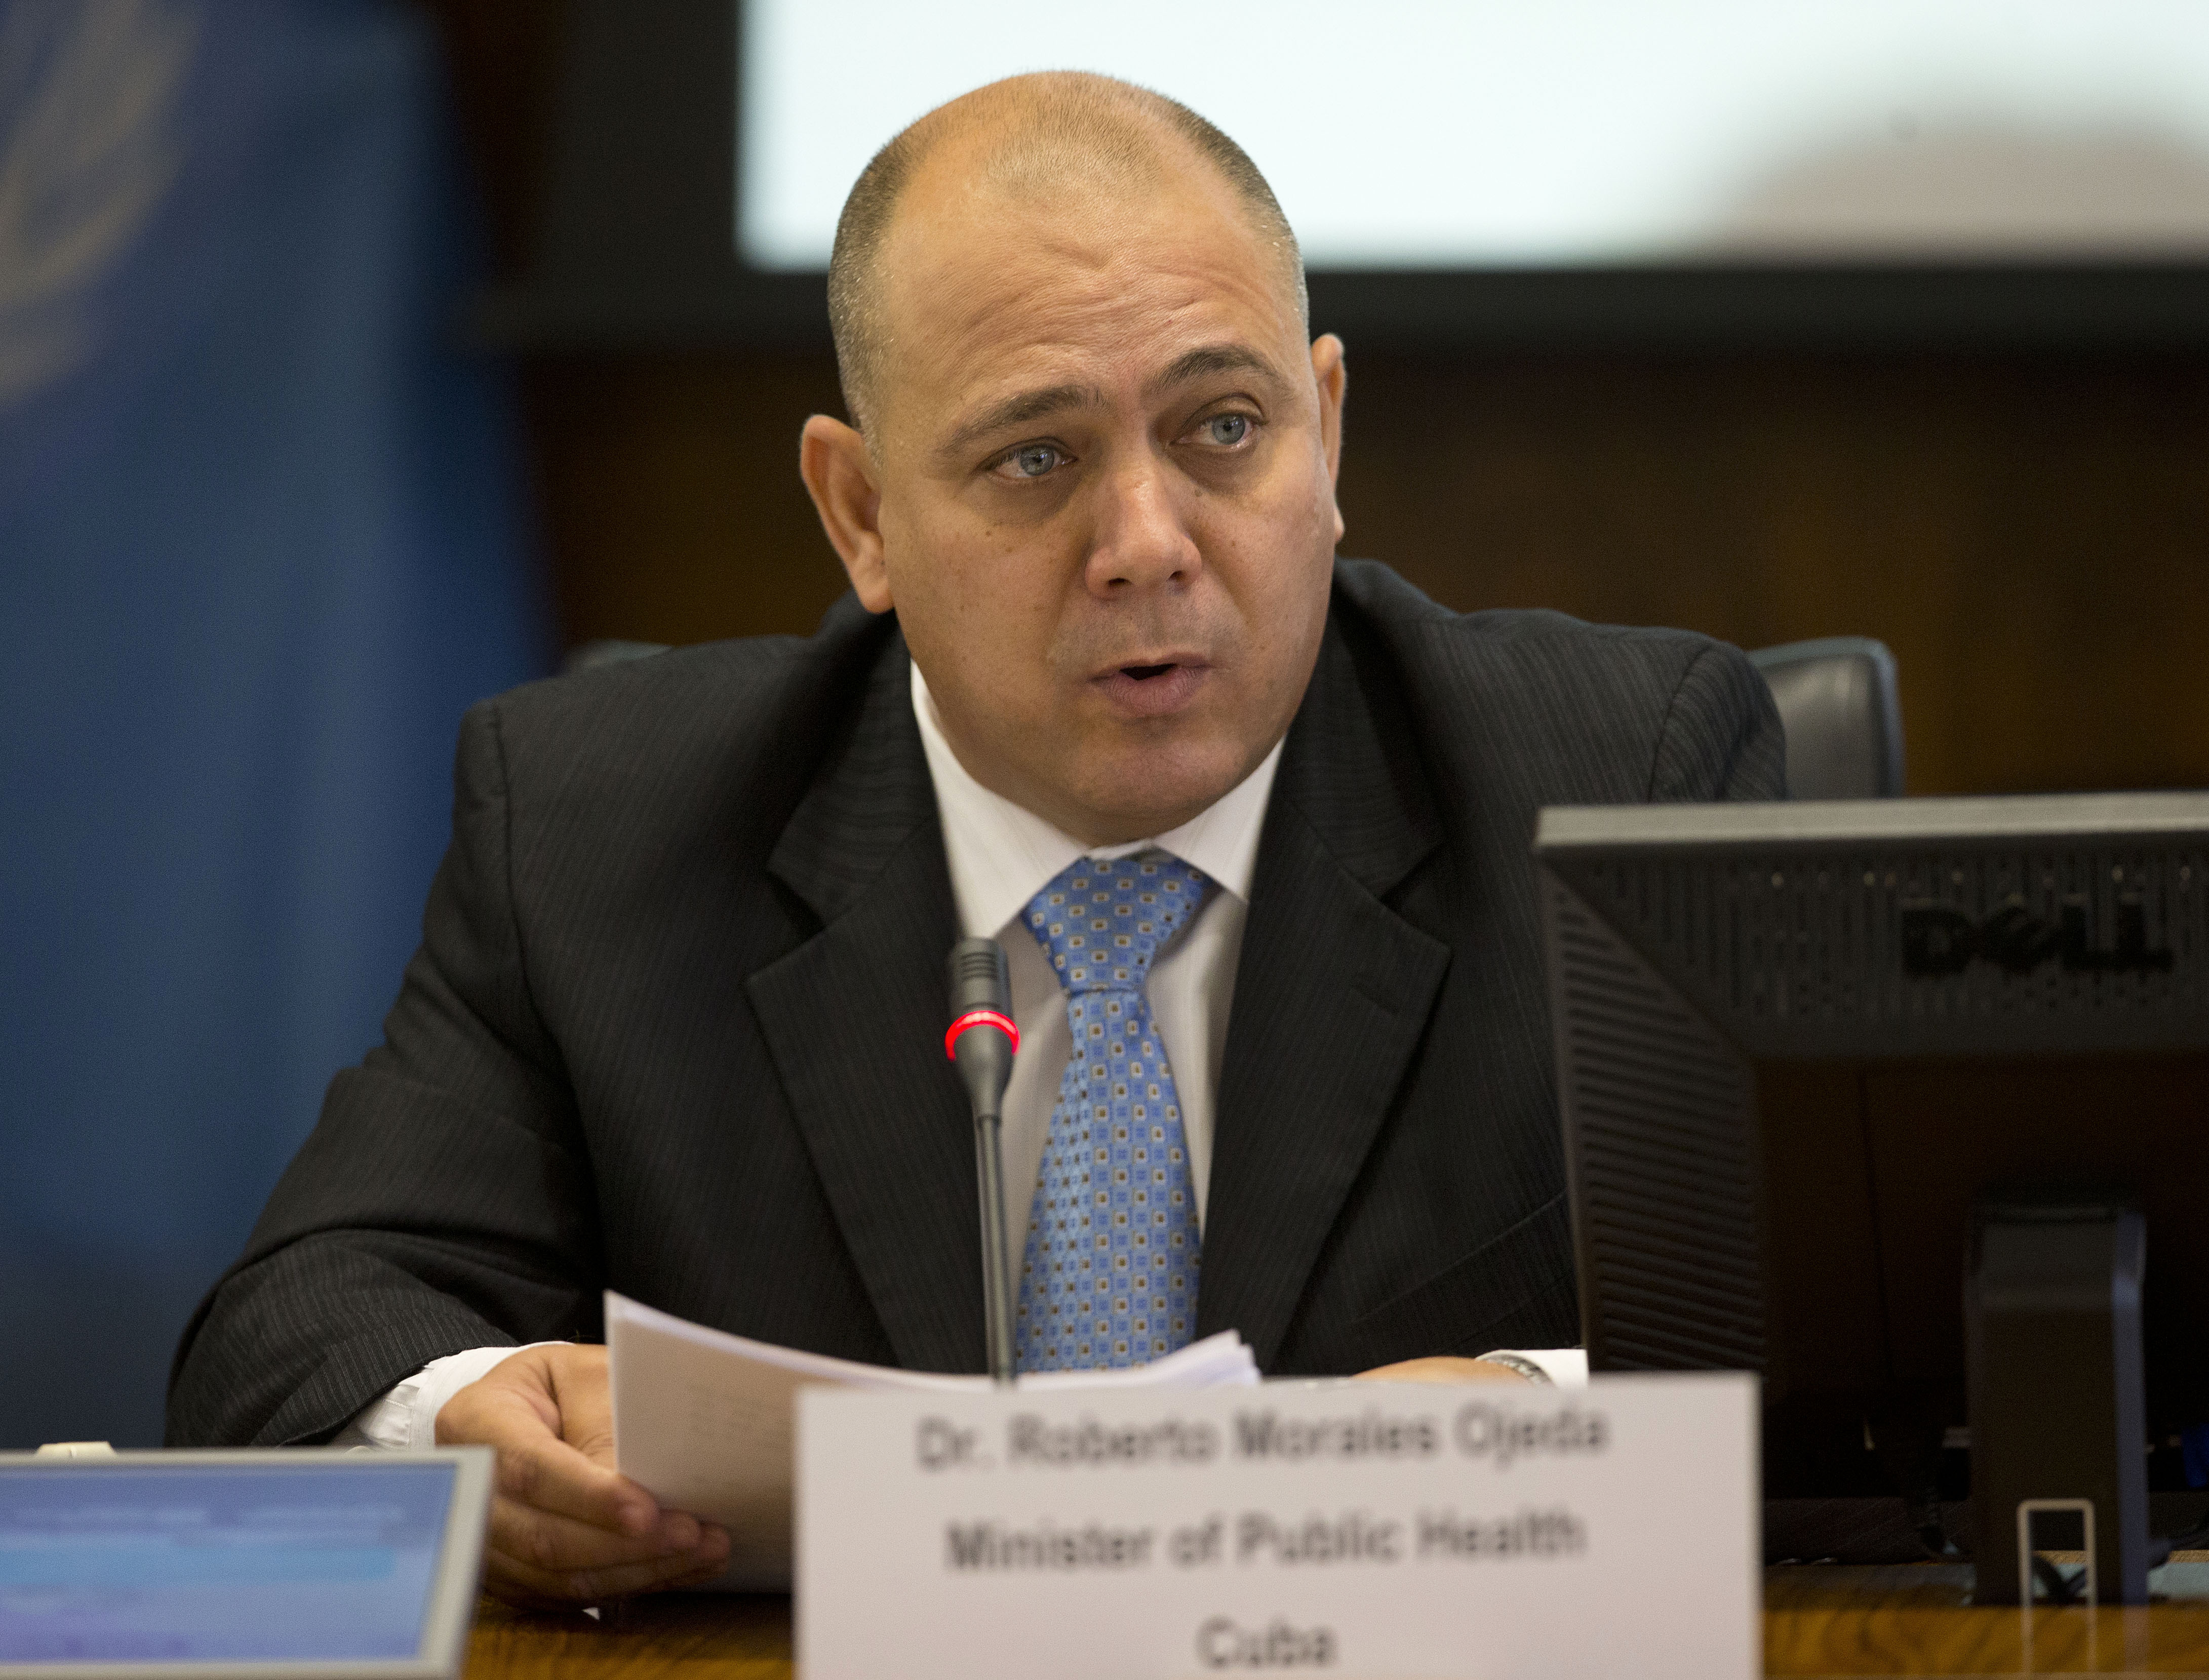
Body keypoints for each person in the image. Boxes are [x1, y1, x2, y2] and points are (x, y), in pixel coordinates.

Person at [168, 72, 1784, 1606]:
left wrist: (1524, 1406)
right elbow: (297, 1329)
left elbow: (1855, 1363)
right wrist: (469, 1418)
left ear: (1329, 428)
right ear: (860, 512)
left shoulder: (1606, 789)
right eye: (1036, 457)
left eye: (1225, 428)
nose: (1147, 547)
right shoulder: (600, 830)